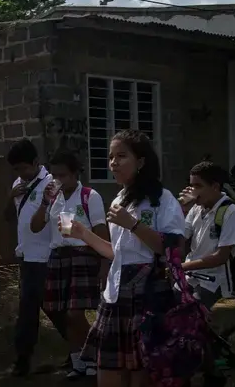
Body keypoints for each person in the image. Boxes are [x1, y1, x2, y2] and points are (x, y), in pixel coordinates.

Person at [60, 129, 185, 387]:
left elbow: (173, 249)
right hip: (115, 296)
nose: (113, 163)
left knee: (142, 376)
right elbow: (117, 254)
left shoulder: (162, 199)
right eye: (110, 157)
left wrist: (133, 224)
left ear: (140, 162)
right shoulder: (119, 199)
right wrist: (83, 234)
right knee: (108, 375)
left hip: (147, 295)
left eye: (121, 156)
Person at [30, 151, 110, 379]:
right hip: (58, 256)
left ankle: (95, 356)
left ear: (75, 173)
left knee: (76, 313)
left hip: (82, 255)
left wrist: (104, 264)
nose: (58, 180)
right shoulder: (53, 198)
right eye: (54, 175)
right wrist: (45, 202)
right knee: (63, 314)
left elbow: (101, 231)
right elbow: (35, 227)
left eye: (63, 175)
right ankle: (78, 362)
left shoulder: (89, 196)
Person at [4, 139, 67, 377]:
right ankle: (23, 359)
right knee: (29, 309)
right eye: (16, 170)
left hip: (47, 256)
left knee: (54, 308)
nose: (20, 174)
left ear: (36, 162)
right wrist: (11, 196)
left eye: (23, 168)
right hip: (27, 257)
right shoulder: (18, 185)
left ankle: (81, 350)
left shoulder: (51, 184)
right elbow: (8, 216)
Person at [178, 161, 235, 308]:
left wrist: (183, 266)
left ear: (215, 187)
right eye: (191, 186)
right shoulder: (196, 209)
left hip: (213, 282)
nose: (193, 191)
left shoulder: (231, 212)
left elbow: (221, 257)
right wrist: (181, 210)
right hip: (190, 277)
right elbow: (179, 239)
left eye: (198, 186)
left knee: (191, 311)